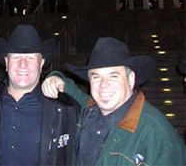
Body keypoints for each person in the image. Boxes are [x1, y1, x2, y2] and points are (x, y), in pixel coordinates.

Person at [42, 37, 186, 166]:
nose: (103, 85)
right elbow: (69, 89)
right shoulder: (89, 109)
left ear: (131, 80)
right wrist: (56, 76)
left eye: (113, 76)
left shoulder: (159, 136)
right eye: (96, 77)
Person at [0, 24, 79, 166]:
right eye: (16, 57)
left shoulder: (65, 108)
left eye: (30, 58)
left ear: (42, 64)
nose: (23, 64)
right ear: (6, 62)